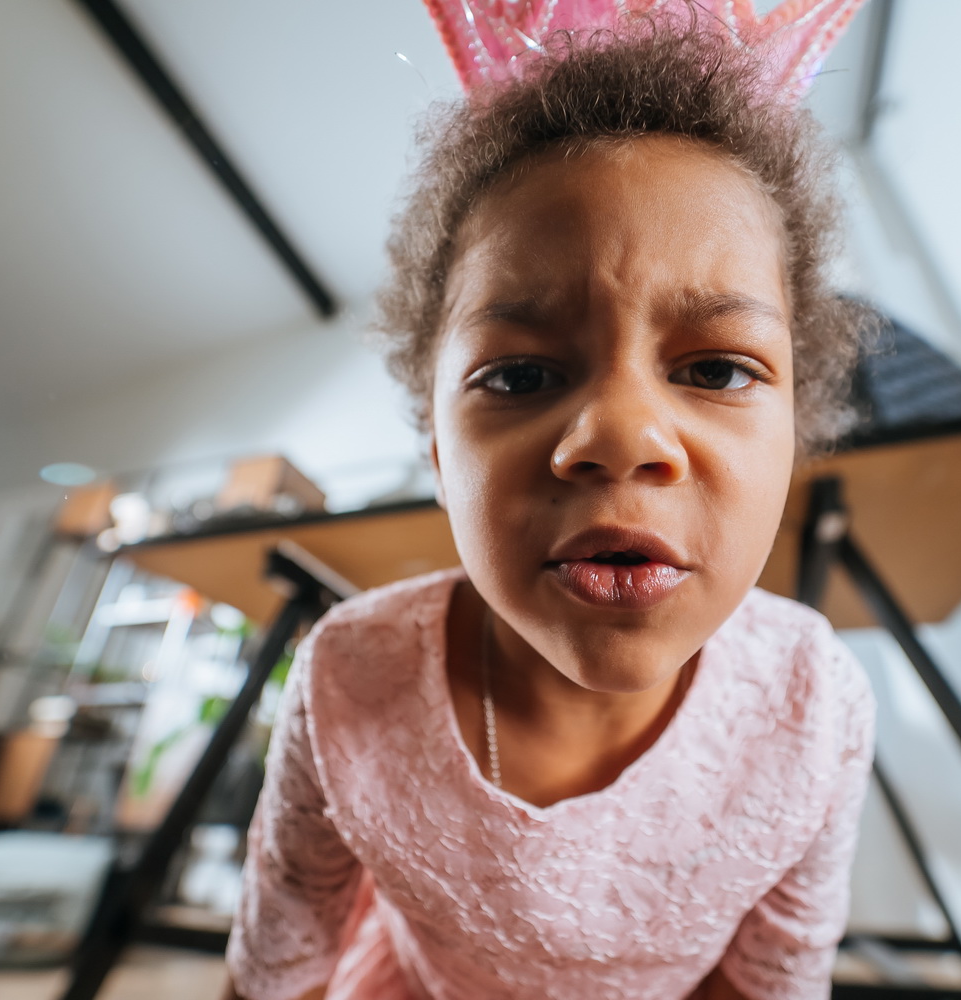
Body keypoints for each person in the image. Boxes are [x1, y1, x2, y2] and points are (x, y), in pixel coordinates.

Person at [223, 3, 877, 997]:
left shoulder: (815, 710)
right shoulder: (346, 677)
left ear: (798, 430)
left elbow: (770, 984)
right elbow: (277, 968)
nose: (619, 435)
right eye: (522, 377)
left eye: (717, 368)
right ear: (440, 450)